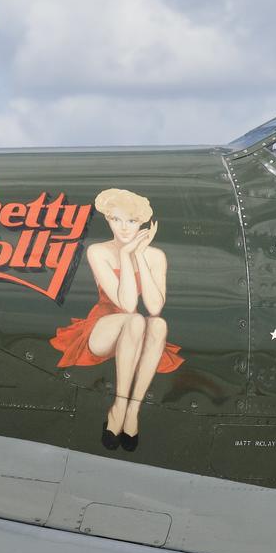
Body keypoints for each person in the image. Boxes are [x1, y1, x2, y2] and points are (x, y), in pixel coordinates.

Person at [48, 186, 182, 452]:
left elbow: (154, 307)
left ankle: (133, 410)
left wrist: (140, 256)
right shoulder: (98, 251)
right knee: (135, 320)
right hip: (104, 327)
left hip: (139, 330)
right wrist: (124, 254)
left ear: (143, 222)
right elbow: (127, 304)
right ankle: (119, 405)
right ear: (108, 219)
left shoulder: (156, 256)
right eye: (116, 219)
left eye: (131, 221)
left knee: (158, 324)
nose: (123, 228)